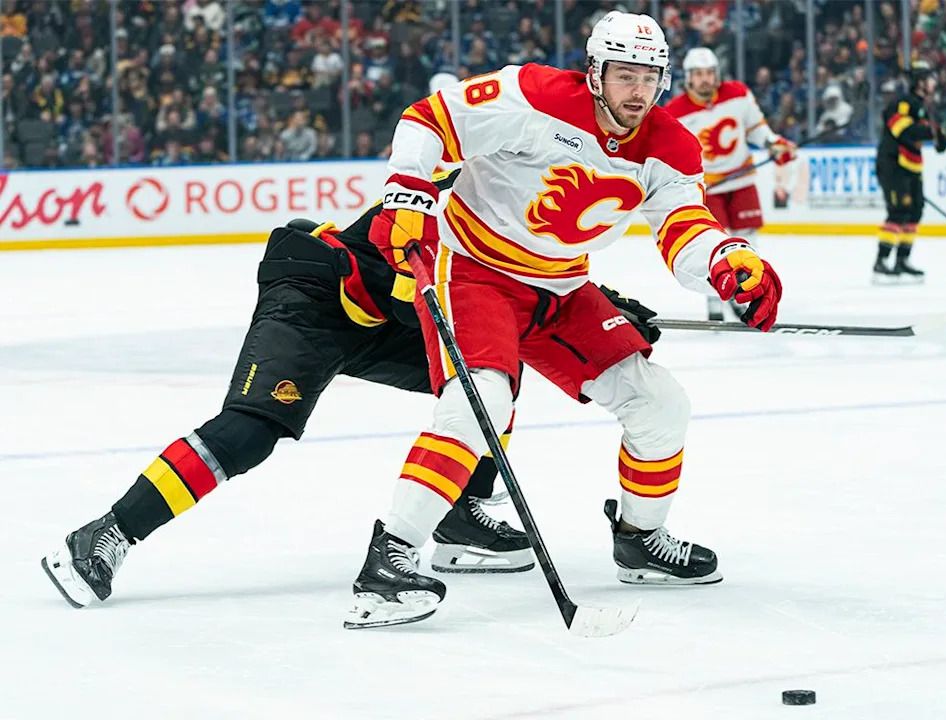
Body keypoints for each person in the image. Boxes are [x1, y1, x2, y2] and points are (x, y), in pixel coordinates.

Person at [40, 171, 660, 609]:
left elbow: (529, 287)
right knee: (253, 431)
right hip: (317, 299)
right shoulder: (446, 202)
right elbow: (478, 282)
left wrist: (610, 309)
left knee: (487, 381)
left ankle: (458, 522)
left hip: (386, 319)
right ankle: (104, 534)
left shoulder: (505, 210)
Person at [346, 11, 783, 629]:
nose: (639, 91)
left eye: (650, 77)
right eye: (625, 75)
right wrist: (408, 193)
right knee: (480, 407)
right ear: (595, 71)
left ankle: (640, 539)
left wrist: (727, 258)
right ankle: (389, 559)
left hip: (562, 287)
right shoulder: (534, 95)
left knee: (660, 404)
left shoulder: (671, 143)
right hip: (475, 273)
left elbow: (683, 224)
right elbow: (429, 119)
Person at [663, 47, 795, 320]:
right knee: (713, 245)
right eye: (698, 74)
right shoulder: (675, 112)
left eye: (709, 73)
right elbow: (671, 152)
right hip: (707, 188)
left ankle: (746, 294)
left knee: (747, 239)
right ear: (687, 78)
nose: (705, 80)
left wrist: (772, 144)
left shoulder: (737, 94)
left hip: (741, 179)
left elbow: (756, 128)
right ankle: (714, 304)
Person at [873, 60, 946, 282]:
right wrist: (932, 131)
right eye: (929, 79)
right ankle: (881, 262)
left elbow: (938, 142)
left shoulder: (924, 107)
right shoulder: (903, 103)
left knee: (915, 211)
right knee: (898, 211)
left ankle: (902, 260)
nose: (933, 83)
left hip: (912, 166)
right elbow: (903, 130)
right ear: (919, 82)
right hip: (894, 165)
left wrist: (937, 134)